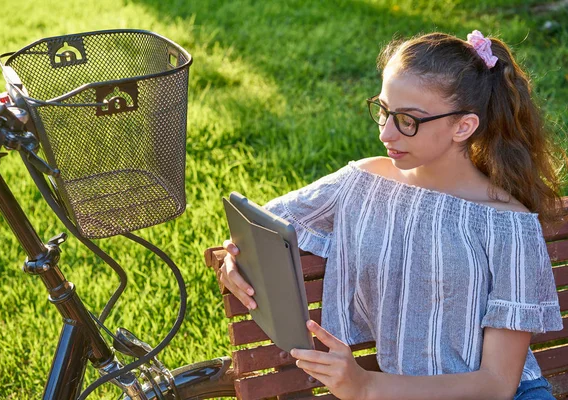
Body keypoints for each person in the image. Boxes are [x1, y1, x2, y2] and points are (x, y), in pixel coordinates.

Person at [219, 30, 565, 400]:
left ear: (463, 126)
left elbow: (497, 385)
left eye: (408, 121)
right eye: (384, 111)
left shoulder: (508, 225)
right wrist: (236, 258)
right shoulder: (361, 183)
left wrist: (366, 386)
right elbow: (262, 226)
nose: (386, 133)